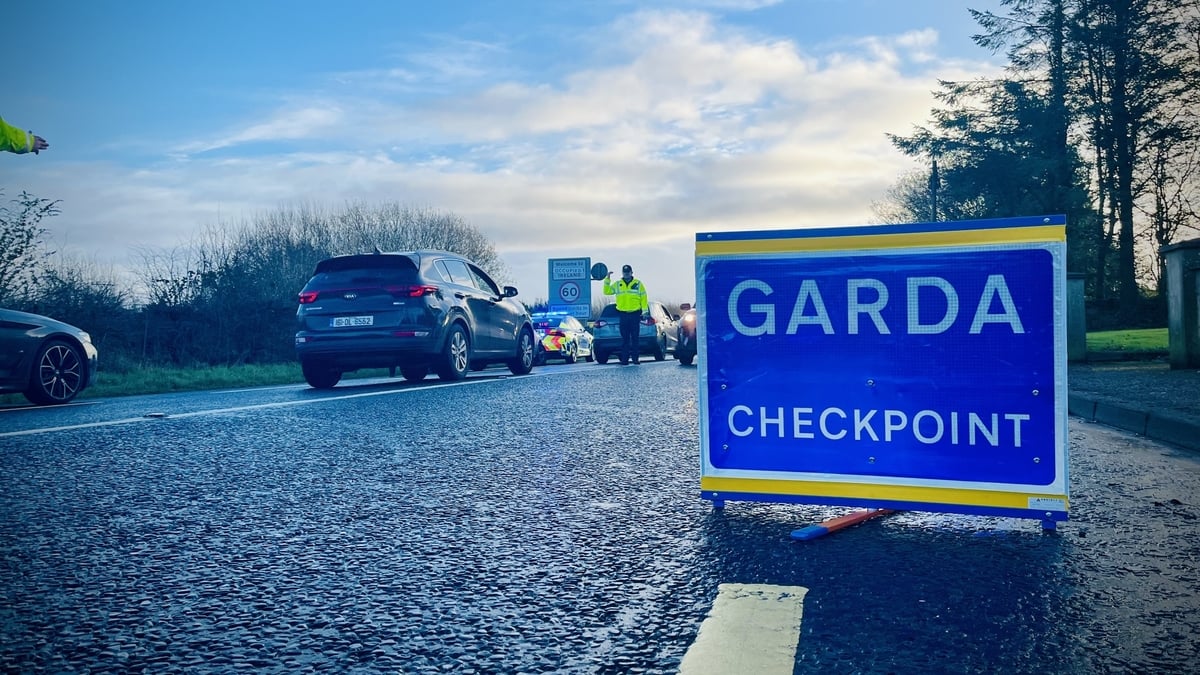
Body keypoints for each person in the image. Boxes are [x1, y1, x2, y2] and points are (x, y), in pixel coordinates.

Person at [603, 264, 649, 365]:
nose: (626, 274)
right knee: (625, 339)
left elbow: (644, 298)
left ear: (631, 273)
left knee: (635, 338)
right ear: (622, 273)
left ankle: (635, 359)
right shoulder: (618, 284)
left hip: (635, 314)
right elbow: (607, 291)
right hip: (623, 314)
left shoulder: (638, 284)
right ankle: (625, 359)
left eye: (628, 272)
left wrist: (644, 311)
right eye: (625, 272)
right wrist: (607, 279)